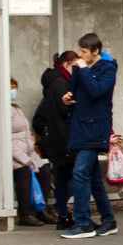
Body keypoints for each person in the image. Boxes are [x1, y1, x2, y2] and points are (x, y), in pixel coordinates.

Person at [60, 32, 119, 239]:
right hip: (80, 126)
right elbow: (77, 91)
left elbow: (96, 90)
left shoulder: (108, 68)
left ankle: (84, 223)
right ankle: (108, 220)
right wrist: (68, 98)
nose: (80, 55)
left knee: (80, 172)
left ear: (96, 52)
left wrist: (84, 70)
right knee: (93, 178)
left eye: (84, 52)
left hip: (95, 128)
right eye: (80, 51)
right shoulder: (79, 68)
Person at [32, 51, 78, 229]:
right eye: (76, 65)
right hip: (62, 138)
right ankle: (61, 208)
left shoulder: (56, 82)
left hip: (57, 138)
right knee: (79, 174)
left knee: (65, 175)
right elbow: (65, 112)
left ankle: (62, 213)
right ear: (67, 65)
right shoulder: (61, 84)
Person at [11, 78, 56, 226]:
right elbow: (6, 139)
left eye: (14, 87)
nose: (13, 91)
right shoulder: (1, 109)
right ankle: (25, 213)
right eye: (10, 87)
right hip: (13, 152)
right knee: (24, 171)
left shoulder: (16, 107)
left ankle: (40, 209)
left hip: (28, 149)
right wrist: (24, 158)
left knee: (43, 170)